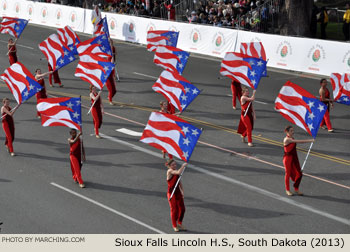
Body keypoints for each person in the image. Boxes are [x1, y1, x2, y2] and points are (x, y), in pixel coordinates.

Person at [283, 126, 314, 196]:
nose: (293, 132)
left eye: (293, 130)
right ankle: (287, 190)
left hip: (293, 158)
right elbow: (300, 142)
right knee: (287, 174)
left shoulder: (291, 138)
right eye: (291, 131)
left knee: (299, 173)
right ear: (287, 132)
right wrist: (310, 140)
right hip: (287, 159)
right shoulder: (286, 139)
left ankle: (296, 188)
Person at [166, 159, 186, 232]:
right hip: (171, 193)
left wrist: (182, 191)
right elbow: (178, 172)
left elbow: (179, 182)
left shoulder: (176, 171)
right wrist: (183, 166)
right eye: (172, 165)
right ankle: (174, 225)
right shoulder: (170, 171)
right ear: (169, 166)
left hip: (178, 192)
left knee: (183, 209)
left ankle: (180, 223)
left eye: (175, 164)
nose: (174, 166)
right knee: (174, 210)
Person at [106, 39, 117, 105]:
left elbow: (113, 71)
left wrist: (114, 76)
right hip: (107, 78)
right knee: (111, 90)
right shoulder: (108, 48)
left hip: (111, 76)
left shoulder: (113, 48)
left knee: (114, 91)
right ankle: (110, 100)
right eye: (110, 42)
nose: (111, 43)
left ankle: (109, 97)